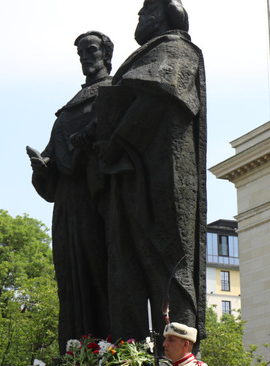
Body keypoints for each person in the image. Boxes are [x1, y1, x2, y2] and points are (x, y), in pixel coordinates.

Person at [94, 0, 207, 345]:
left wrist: (114, 140)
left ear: (160, 15)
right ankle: (128, 360)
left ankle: (181, 356)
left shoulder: (177, 49)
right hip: (132, 173)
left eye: (144, 12)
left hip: (164, 175)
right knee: (126, 266)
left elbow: (154, 102)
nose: (139, 18)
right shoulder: (148, 55)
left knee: (169, 266)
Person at [29, 31, 114, 344]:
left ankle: (109, 348)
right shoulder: (67, 111)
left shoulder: (113, 92)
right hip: (67, 204)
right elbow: (53, 151)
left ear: (106, 53)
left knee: (98, 271)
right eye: (80, 52)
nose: (85, 57)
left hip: (96, 200)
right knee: (70, 277)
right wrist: (42, 166)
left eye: (90, 49)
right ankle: (75, 352)